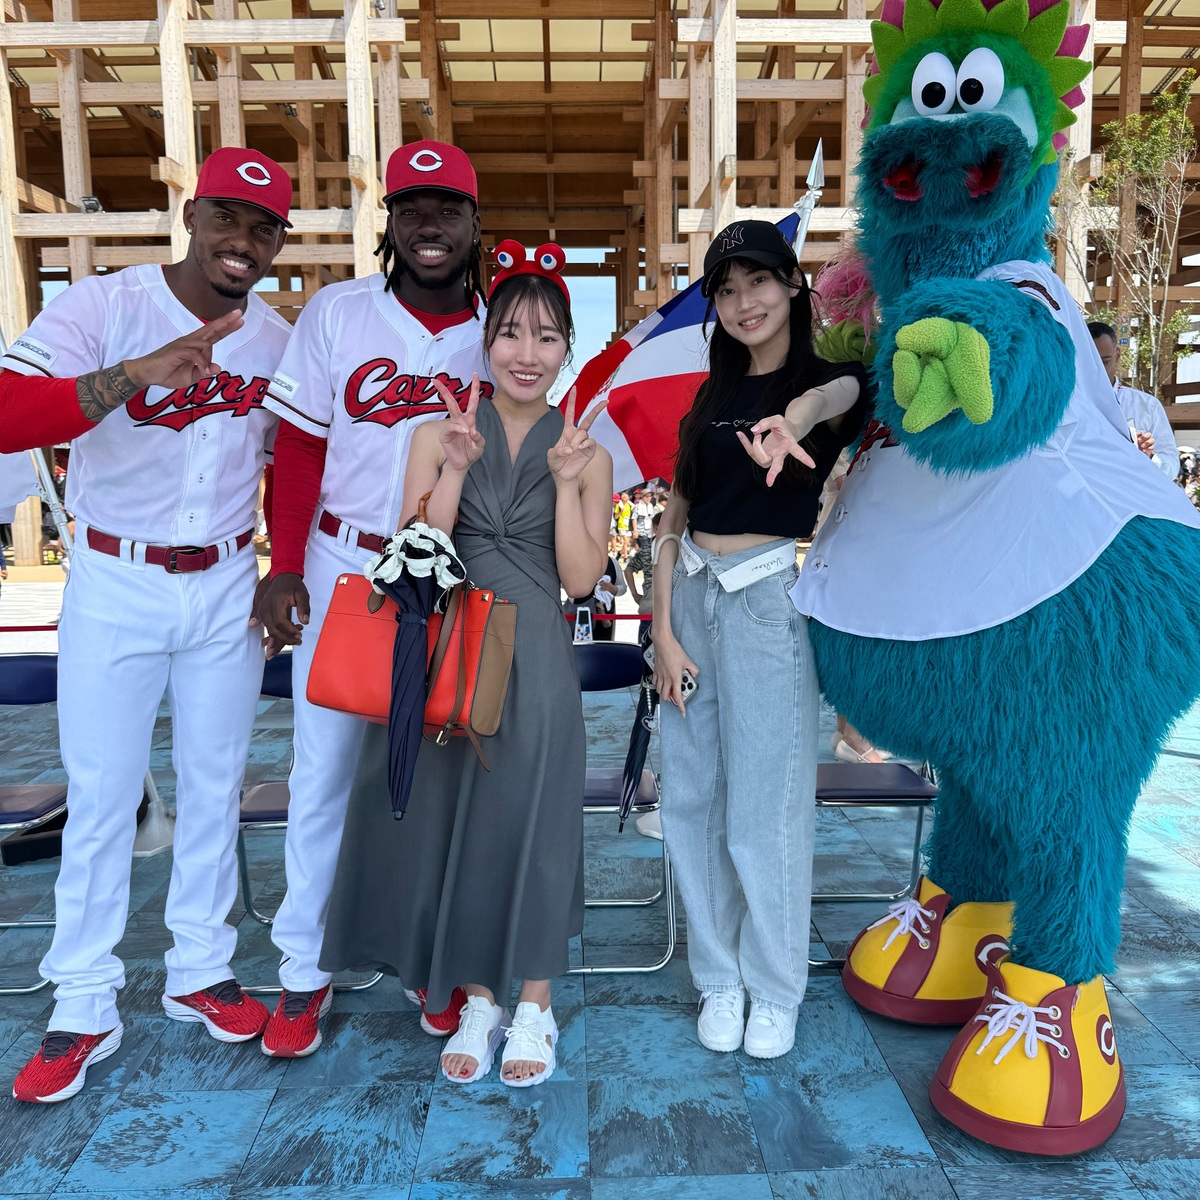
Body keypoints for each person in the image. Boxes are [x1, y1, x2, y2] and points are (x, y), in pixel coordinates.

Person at [0, 148, 293, 1103]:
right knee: (102, 797)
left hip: (221, 585)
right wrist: (134, 373)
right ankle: (83, 1002)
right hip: (115, 576)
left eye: (263, 228)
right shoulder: (104, 305)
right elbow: (8, 412)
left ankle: (198, 972)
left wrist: (283, 568)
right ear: (192, 212)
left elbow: (298, 457)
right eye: (227, 218)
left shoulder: (277, 338)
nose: (241, 241)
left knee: (213, 790)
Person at [320, 242, 612, 1088]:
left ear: (567, 351)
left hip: (537, 657)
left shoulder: (588, 450)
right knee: (463, 823)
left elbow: (582, 578)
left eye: (547, 337)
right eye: (512, 333)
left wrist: (562, 485)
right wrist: (450, 467)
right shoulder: (435, 432)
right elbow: (423, 549)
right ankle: (477, 997)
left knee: (537, 822)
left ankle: (536, 1003)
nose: (528, 352)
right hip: (450, 648)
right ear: (486, 343)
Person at [254, 140, 491, 1057]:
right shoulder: (338, 312)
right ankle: (302, 973)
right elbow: (303, 449)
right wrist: (282, 565)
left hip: (448, 574)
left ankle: (427, 965)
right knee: (319, 776)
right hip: (343, 564)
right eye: (411, 206)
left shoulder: (496, 327)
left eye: (448, 208)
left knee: (431, 783)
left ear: (475, 225)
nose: (429, 223)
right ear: (388, 220)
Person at [651, 220, 867, 1059]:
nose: (745, 302)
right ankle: (719, 978)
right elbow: (673, 516)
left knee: (766, 812)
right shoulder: (708, 398)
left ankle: (775, 989)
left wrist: (798, 414)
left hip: (769, 603)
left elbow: (843, 398)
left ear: (792, 287)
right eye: (728, 289)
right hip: (690, 601)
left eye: (760, 283)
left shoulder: (824, 380)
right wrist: (661, 632)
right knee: (694, 802)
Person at [1089, 322, 1180, 482]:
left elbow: (1171, 466)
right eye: (1090, 362)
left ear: (1117, 355)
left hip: (1133, 501)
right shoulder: (1064, 406)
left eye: (1105, 361)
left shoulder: (1147, 406)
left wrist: (1150, 457)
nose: (1098, 369)